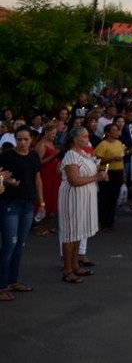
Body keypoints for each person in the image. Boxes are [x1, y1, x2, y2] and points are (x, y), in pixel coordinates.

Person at [57, 125, 105, 285]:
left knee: (78, 232)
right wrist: (96, 178)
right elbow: (74, 180)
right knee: (70, 233)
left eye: (87, 136)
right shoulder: (71, 155)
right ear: (75, 139)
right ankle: (67, 269)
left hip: (84, 198)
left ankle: (75, 264)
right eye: (84, 136)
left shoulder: (83, 153)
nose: (87, 139)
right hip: (73, 198)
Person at [1, 126, 44, 300]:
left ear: (31, 139)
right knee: (9, 245)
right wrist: (7, 181)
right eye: (19, 139)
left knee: (20, 244)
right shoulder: (7, 156)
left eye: (26, 139)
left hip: (28, 203)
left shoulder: (33, 156)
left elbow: (37, 178)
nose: (23, 143)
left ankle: (13, 280)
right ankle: (2, 286)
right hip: (10, 204)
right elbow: (1, 176)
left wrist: (41, 202)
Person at [93, 123, 126, 230]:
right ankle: (104, 221)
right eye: (114, 130)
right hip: (107, 172)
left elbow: (122, 158)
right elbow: (98, 160)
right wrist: (113, 159)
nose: (116, 132)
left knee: (114, 197)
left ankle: (110, 221)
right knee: (105, 197)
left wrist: (123, 173)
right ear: (107, 133)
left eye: (117, 130)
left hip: (118, 171)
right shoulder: (103, 144)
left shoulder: (119, 143)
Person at [34, 123, 61, 236]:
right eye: (53, 133)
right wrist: (54, 156)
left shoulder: (51, 143)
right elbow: (38, 162)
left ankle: (45, 226)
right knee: (45, 199)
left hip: (53, 175)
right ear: (46, 132)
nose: (54, 135)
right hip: (45, 175)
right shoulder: (41, 145)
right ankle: (40, 228)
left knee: (51, 200)